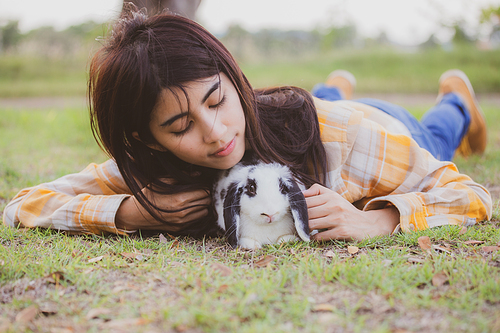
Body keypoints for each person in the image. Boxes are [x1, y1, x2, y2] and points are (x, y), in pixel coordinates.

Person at [2, 10, 492, 242]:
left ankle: (455, 99)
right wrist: (133, 213)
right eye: (179, 126)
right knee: (307, 106)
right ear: (147, 139)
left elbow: (468, 195)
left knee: (434, 134)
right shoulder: (153, 169)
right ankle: (333, 85)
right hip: (296, 113)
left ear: (235, 79)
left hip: (379, 120)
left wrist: (376, 219)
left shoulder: (345, 137)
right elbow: (25, 204)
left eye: (217, 100)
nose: (214, 132)